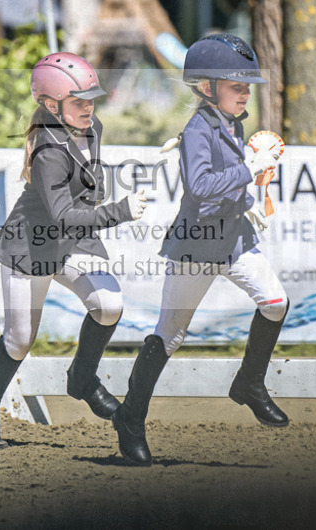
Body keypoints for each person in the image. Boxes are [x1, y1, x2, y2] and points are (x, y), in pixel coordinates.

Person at [112, 33, 289, 466]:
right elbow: (203, 188)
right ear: (207, 87)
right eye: (236, 85)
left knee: (276, 302)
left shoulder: (234, 122)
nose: (245, 92)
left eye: (247, 85)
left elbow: (231, 185)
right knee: (170, 335)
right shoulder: (196, 131)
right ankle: (131, 418)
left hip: (235, 239)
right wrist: (248, 170)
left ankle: (249, 383)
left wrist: (250, 204)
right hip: (198, 244)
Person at [0, 52, 149, 449]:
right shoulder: (48, 151)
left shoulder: (92, 125)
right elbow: (63, 215)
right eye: (79, 101)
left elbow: (87, 187)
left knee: (108, 304)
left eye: (91, 98)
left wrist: (100, 197)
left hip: (73, 242)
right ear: (52, 106)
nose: (90, 107)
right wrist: (121, 210)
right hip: (30, 246)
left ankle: (81, 378)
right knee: (18, 342)